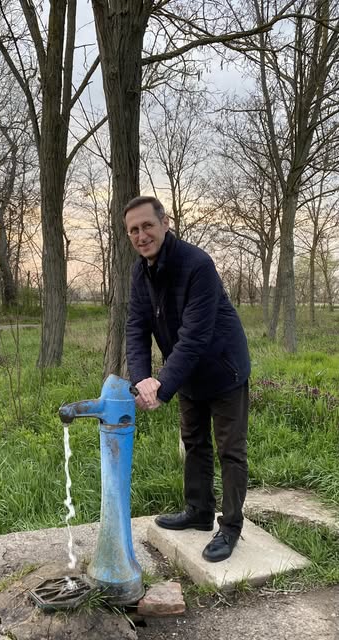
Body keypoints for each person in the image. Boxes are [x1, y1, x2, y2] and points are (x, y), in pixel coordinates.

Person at [125, 195, 250, 562]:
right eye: (133, 230)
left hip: (224, 369)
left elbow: (194, 337)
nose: (141, 235)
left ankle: (230, 527)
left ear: (166, 223)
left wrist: (161, 388)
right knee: (194, 442)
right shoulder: (140, 273)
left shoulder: (197, 265)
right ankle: (198, 511)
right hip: (187, 373)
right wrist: (142, 379)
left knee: (230, 450)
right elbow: (136, 329)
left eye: (148, 225)